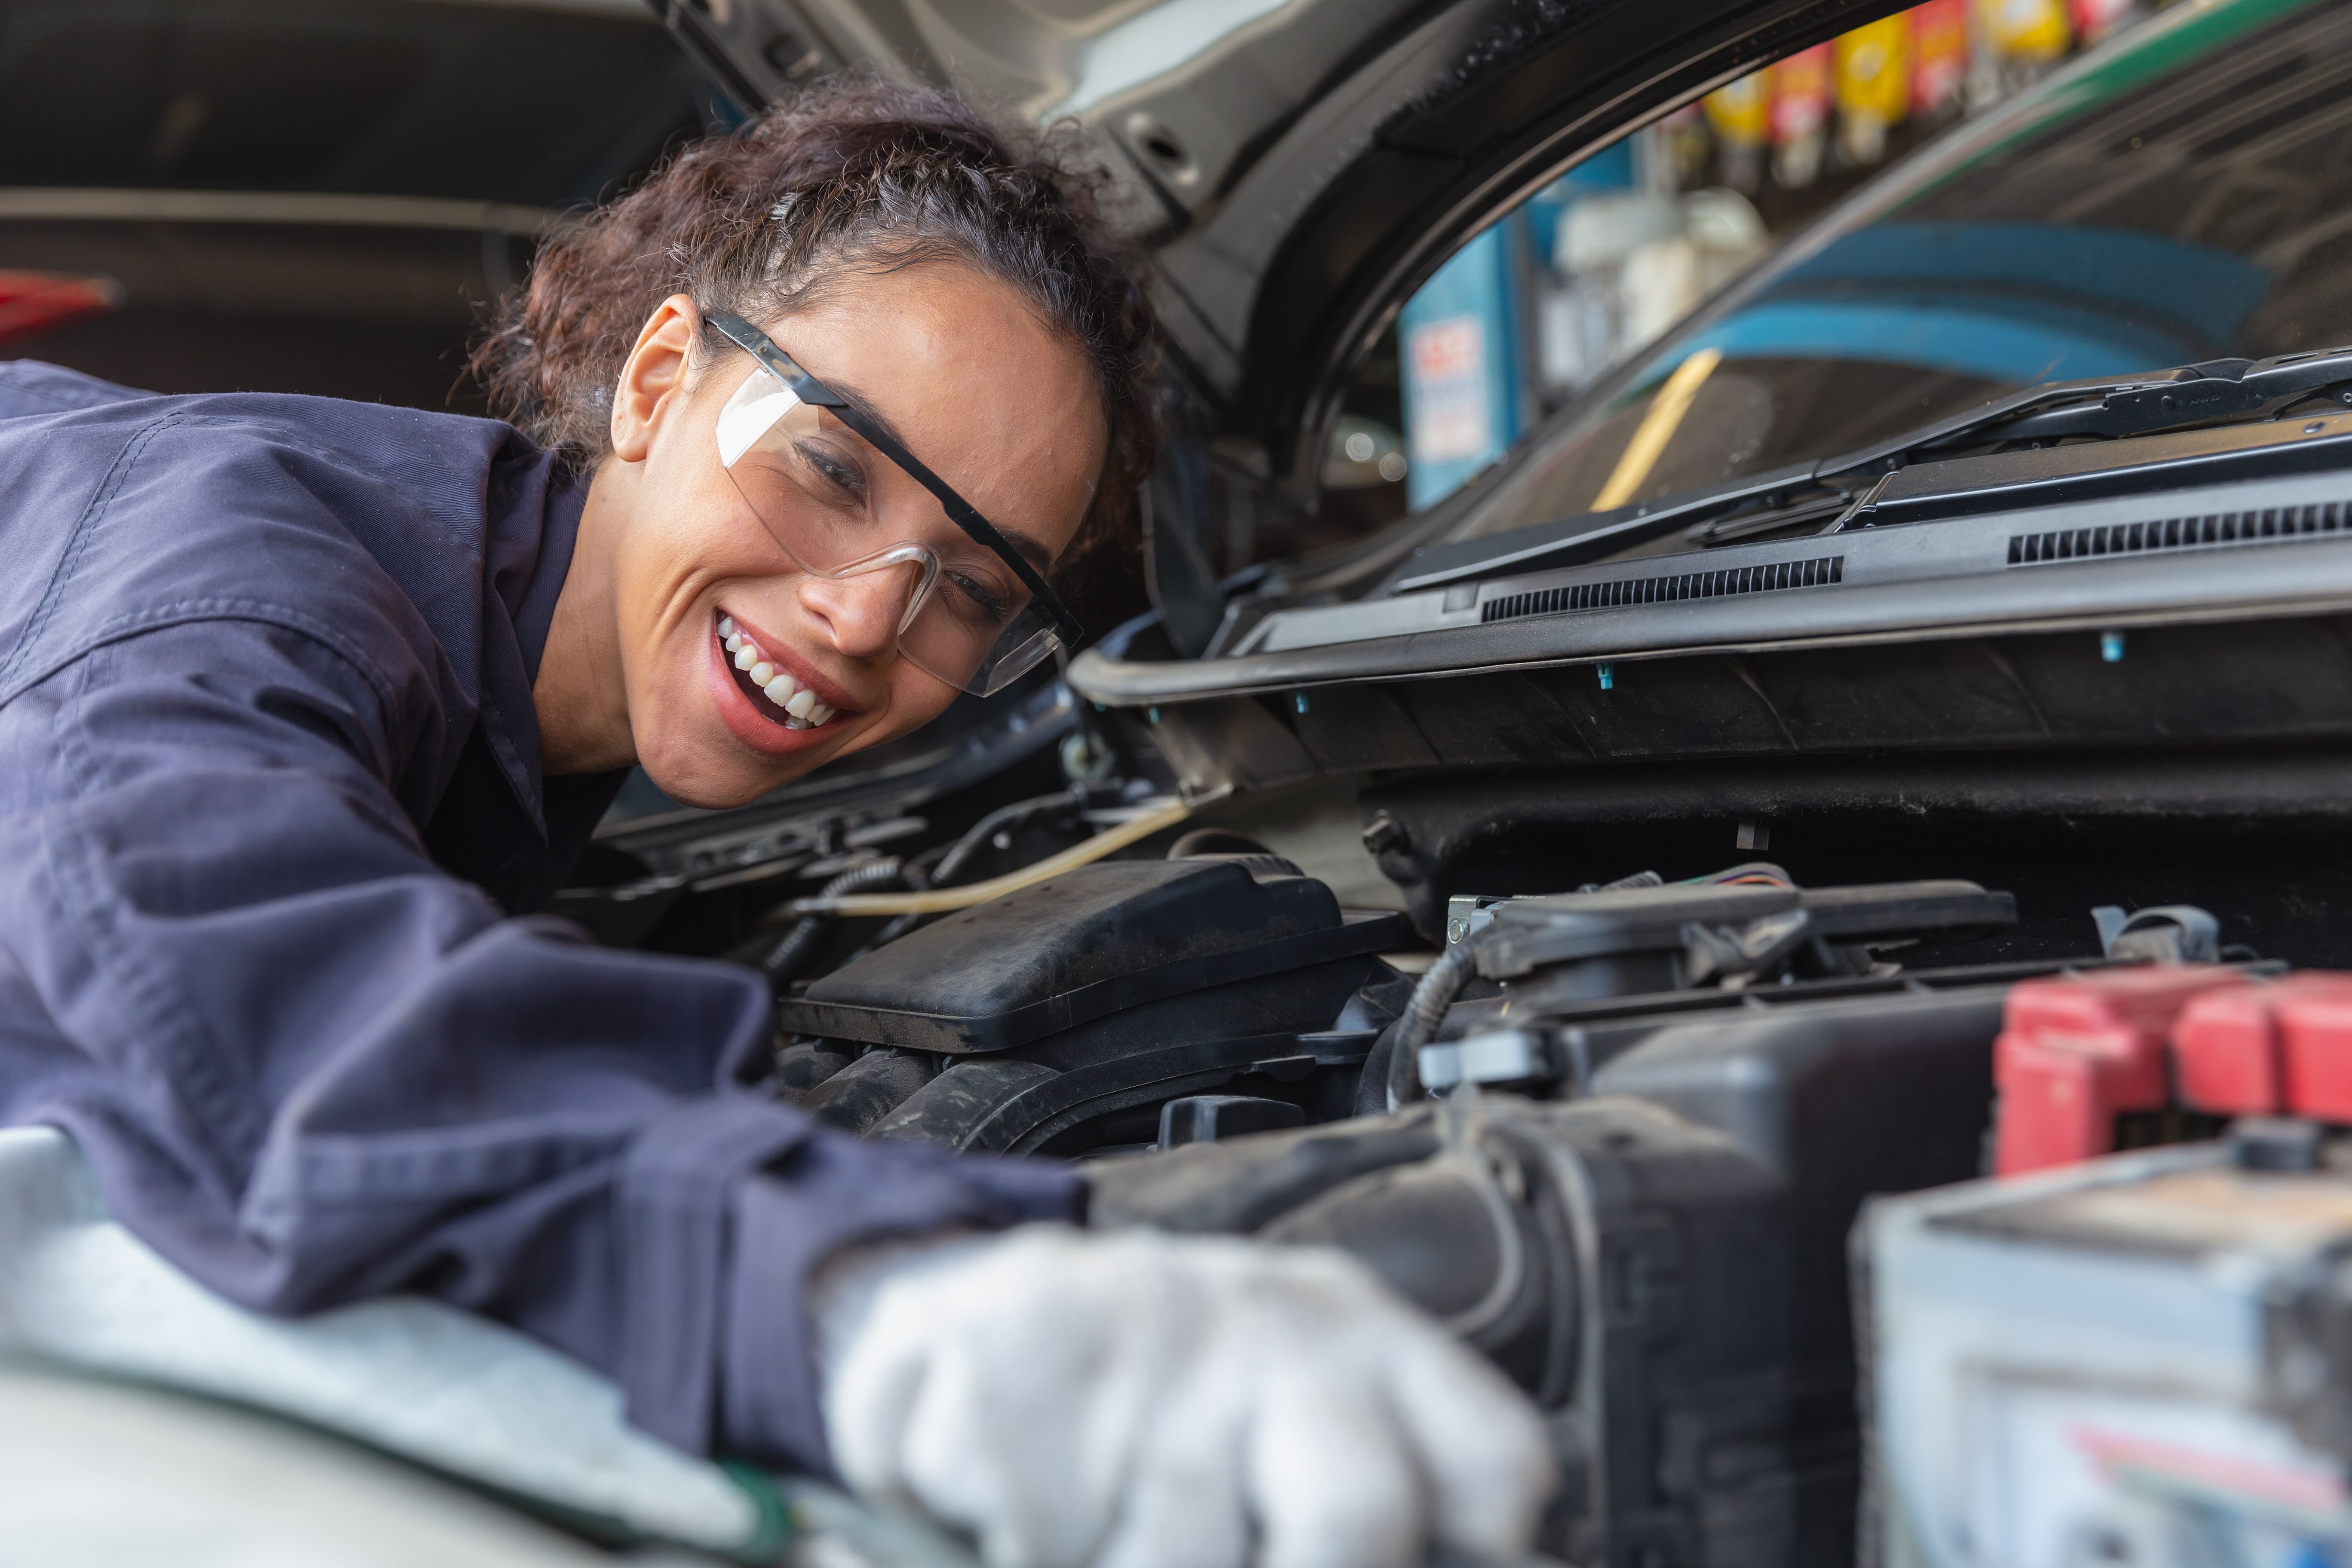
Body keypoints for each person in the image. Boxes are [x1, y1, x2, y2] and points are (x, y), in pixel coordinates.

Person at [0, 81, 1551, 1568]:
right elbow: (234, 966)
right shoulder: (235, 577)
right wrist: (865, 1292)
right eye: (829, 466)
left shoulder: (497, 683)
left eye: (974, 587)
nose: (868, 617)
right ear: (660, 379)